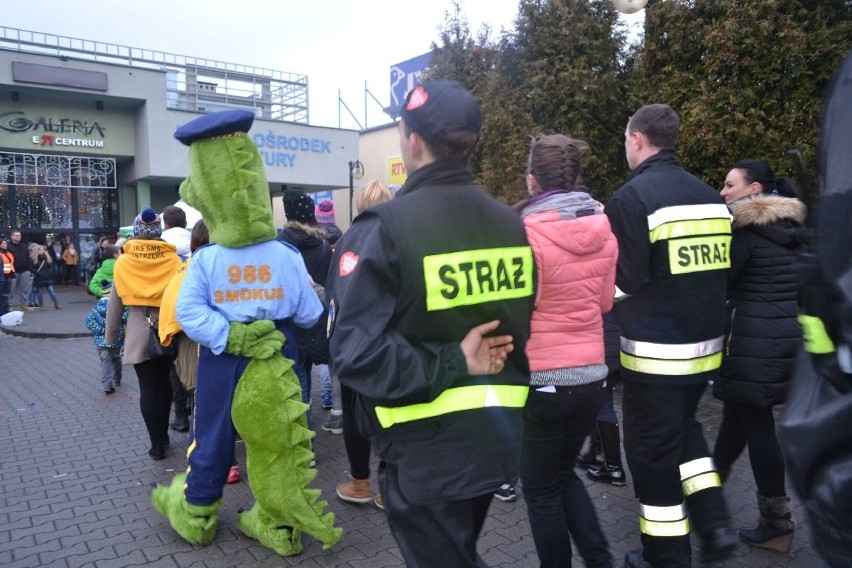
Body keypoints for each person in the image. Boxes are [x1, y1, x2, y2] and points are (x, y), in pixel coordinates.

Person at [326, 80, 535, 567]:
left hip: (424, 449)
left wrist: (451, 359)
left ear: (411, 139)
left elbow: (353, 354)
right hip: (495, 440)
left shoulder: (383, 228)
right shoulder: (510, 224)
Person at [152, 110, 341, 555]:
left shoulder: (208, 259)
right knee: (277, 439)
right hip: (279, 352)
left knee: (214, 433)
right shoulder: (285, 253)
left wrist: (231, 335)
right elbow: (309, 312)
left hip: (223, 356)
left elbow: (189, 313)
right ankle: (280, 525)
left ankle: (197, 515)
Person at [605, 103, 736, 568]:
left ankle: (665, 556)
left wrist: (599, 291)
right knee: (687, 436)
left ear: (638, 138)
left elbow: (627, 280)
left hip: (656, 357)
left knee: (652, 458)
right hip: (705, 350)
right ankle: (716, 525)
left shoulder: (632, 198)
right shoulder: (710, 197)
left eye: (625, 139)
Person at [515, 133, 617, 568]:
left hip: (543, 379)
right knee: (562, 474)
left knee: (540, 488)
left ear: (533, 180)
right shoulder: (602, 224)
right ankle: (600, 559)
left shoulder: (524, 231)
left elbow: (520, 306)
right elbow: (605, 303)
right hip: (592, 375)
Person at [711, 160, 806, 553]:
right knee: (737, 422)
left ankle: (777, 521)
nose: (722, 192)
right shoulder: (791, 229)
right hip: (780, 340)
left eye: (730, 185)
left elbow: (722, 284)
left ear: (753, 191)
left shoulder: (745, 235)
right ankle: (705, 497)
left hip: (751, 343)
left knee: (758, 426)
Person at [333, 179, 394, 508]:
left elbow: (335, 293)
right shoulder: (396, 237)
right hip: (386, 344)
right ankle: (387, 489)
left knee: (354, 417)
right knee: (388, 416)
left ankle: (359, 483)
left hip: (349, 346)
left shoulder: (345, 240)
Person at [105, 207, 182, 460]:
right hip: (168, 329)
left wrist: (111, 338)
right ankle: (165, 436)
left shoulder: (124, 261)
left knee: (148, 388)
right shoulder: (173, 260)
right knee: (167, 384)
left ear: (137, 232)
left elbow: (115, 303)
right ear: (158, 231)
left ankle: (156, 445)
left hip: (139, 329)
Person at [279, 188, 333, 431]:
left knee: (298, 385)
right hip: (318, 323)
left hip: (291, 327)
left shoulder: (279, 247)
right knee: (310, 376)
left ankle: (305, 444)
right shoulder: (323, 245)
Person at [585, 313, 629, 486]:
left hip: (601, 345)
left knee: (603, 407)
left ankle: (613, 468)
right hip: (618, 341)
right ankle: (605, 462)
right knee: (603, 404)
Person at [160, 204, 193, 432]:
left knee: (174, 367)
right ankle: (197, 408)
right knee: (195, 363)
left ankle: (180, 416)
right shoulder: (195, 240)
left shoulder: (160, 243)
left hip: (168, 310)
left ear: (166, 223)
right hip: (194, 309)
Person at [86, 281, 128, 394]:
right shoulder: (119, 307)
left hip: (101, 340)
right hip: (116, 338)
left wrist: (100, 330)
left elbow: (89, 321)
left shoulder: (96, 308)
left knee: (105, 360)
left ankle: (107, 385)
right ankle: (117, 379)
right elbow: (125, 318)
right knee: (116, 358)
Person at [29, 245, 62, 310]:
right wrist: (36, 273)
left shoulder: (47, 257)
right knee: (40, 293)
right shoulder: (33, 258)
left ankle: (57, 303)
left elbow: (51, 266)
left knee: (51, 291)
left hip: (47, 277)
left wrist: (50, 273)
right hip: (38, 277)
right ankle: (42, 305)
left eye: (42, 249)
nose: (41, 251)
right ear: (37, 251)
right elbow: (31, 267)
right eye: (40, 249)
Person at [8, 230, 32, 311]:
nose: (18, 237)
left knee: (24, 289)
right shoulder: (8, 246)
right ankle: (9, 305)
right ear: (12, 236)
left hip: (24, 270)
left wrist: (29, 269)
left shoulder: (24, 245)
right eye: (16, 235)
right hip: (13, 271)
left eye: (19, 236)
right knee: (11, 289)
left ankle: (24, 304)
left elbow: (28, 257)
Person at [0, 236, 13, 316]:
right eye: (4, 243)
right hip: (3, 276)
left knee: (5, 294)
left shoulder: (8, 253)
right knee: (2, 295)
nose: (6, 245)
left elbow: (11, 263)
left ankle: (5, 310)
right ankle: (3, 311)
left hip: (8, 275)